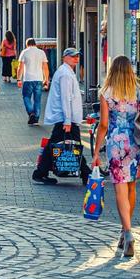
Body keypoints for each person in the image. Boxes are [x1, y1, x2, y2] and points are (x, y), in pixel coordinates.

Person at [92, 55, 140, 258]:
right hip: (136, 143)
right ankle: (125, 231)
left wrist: (97, 151)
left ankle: (128, 233)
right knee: (131, 187)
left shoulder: (107, 93)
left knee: (120, 190)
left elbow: (104, 124)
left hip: (117, 144)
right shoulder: (138, 92)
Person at [33, 48, 85, 185]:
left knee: (57, 144)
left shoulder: (66, 72)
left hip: (66, 118)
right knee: (72, 144)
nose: (76, 58)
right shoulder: (65, 74)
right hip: (66, 118)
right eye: (73, 56)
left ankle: (40, 172)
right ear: (65, 57)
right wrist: (67, 120)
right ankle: (87, 174)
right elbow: (65, 98)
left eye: (77, 56)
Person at [17, 38, 50, 126]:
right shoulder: (41, 52)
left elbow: (20, 66)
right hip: (39, 79)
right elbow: (45, 67)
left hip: (28, 79)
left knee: (26, 97)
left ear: (27, 44)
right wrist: (46, 79)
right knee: (37, 100)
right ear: (35, 44)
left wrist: (18, 79)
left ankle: (31, 113)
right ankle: (36, 118)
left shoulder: (24, 52)